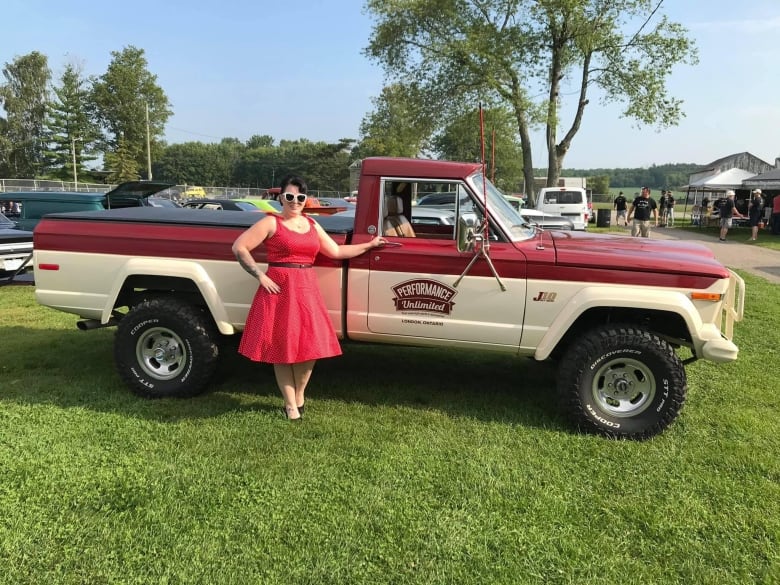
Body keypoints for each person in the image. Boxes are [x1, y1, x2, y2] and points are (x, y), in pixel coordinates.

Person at [232, 175, 386, 421]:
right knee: (281, 348)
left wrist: (369, 245)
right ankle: (290, 404)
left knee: (309, 348)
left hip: (306, 289)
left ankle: (300, 394)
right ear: (281, 197)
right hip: (279, 289)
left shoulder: (312, 225)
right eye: (290, 196)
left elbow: (336, 251)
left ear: (306, 200)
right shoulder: (271, 223)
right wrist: (260, 275)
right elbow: (240, 247)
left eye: (300, 197)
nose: (295, 201)